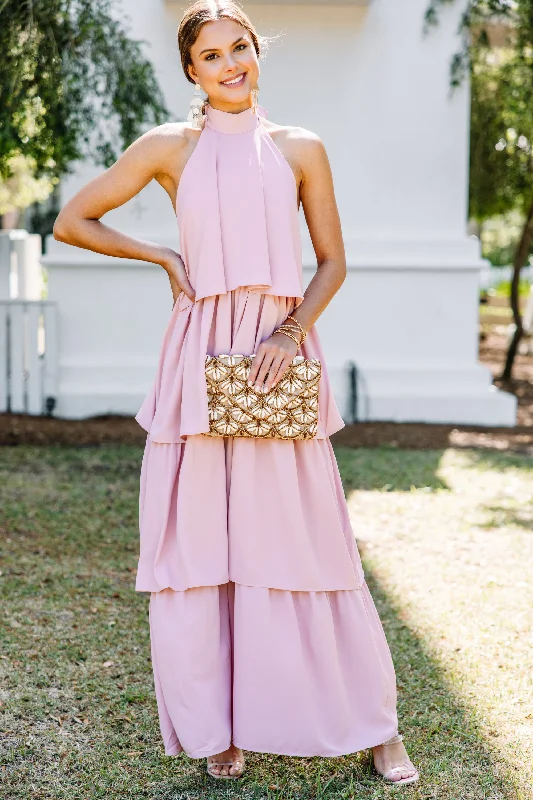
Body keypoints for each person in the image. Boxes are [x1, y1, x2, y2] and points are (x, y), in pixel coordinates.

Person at [53, 0, 419, 786]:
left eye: (240, 48)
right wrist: (158, 254)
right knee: (205, 550)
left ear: (258, 52)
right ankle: (224, 728)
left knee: (311, 543)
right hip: (198, 358)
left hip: (274, 359)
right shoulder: (167, 147)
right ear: (191, 70)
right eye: (212, 55)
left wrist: (286, 335)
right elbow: (73, 220)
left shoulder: (300, 147)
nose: (230, 64)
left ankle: (376, 726)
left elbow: (330, 261)